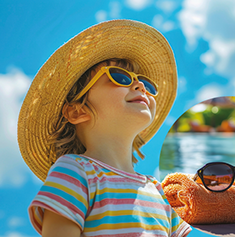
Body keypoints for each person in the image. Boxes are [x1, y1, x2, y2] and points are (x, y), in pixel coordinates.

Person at [18, 19, 191, 236]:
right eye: (119, 77)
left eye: (146, 84)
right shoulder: (76, 172)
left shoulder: (159, 192)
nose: (140, 86)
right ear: (77, 111)